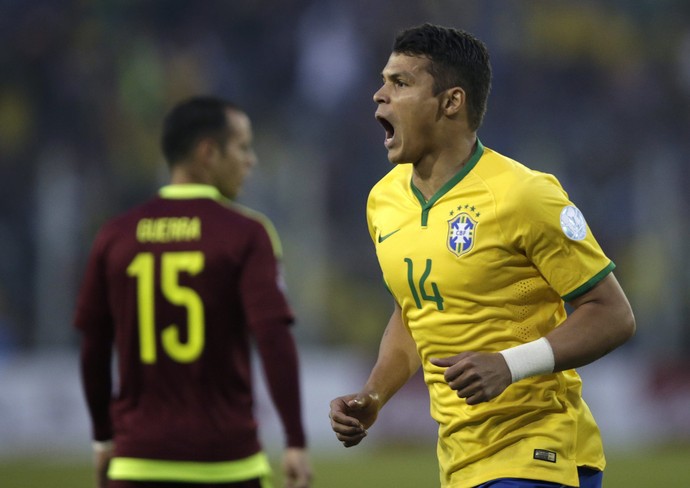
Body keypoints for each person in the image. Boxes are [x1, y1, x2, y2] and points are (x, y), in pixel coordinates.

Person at [328, 23, 635, 488]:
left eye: (401, 83)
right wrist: (373, 396)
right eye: (383, 80)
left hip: (539, 452)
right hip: (461, 461)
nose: (378, 95)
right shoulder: (383, 202)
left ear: (451, 102)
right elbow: (414, 311)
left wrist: (510, 365)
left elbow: (613, 315)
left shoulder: (524, 195)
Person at [74, 96, 312, 488]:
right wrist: (295, 440)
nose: (251, 161)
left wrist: (103, 438)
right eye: (242, 147)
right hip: (227, 464)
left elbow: (94, 349)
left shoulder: (115, 235)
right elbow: (273, 337)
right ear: (208, 152)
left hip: (137, 464)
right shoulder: (247, 233)